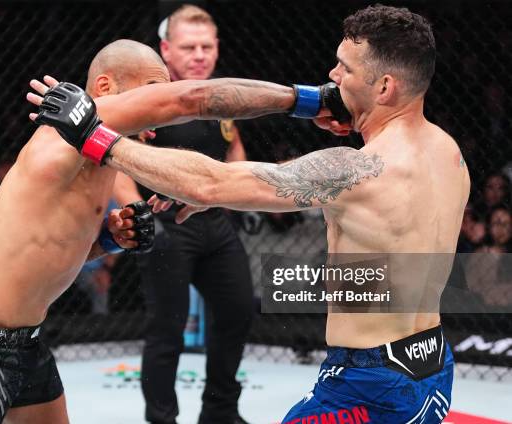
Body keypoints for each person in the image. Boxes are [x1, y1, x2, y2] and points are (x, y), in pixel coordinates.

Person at [28, 4, 468, 423]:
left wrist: (94, 135)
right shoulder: (448, 153)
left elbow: (211, 181)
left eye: (345, 69)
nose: (332, 76)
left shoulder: (357, 168)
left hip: (370, 383)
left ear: (385, 87)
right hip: (431, 363)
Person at [0, 40, 162, 424]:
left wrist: (108, 241)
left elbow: (51, 252)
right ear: (104, 89)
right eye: (152, 93)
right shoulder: (59, 141)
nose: (158, 110)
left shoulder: (107, 165)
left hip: (26, 341)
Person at [112, 6, 253, 424]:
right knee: (167, 329)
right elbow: (115, 158)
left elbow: (234, 148)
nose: (199, 54)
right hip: (165, 224)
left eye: (206, 46)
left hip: (214, 222)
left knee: (238, 311)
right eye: (189, 46)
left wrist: (237, 196)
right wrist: (138, 212)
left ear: (217, 49)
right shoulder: (146, 98)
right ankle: (162, 418)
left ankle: (220, 411)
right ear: (166, 49)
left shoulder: (221, 96)